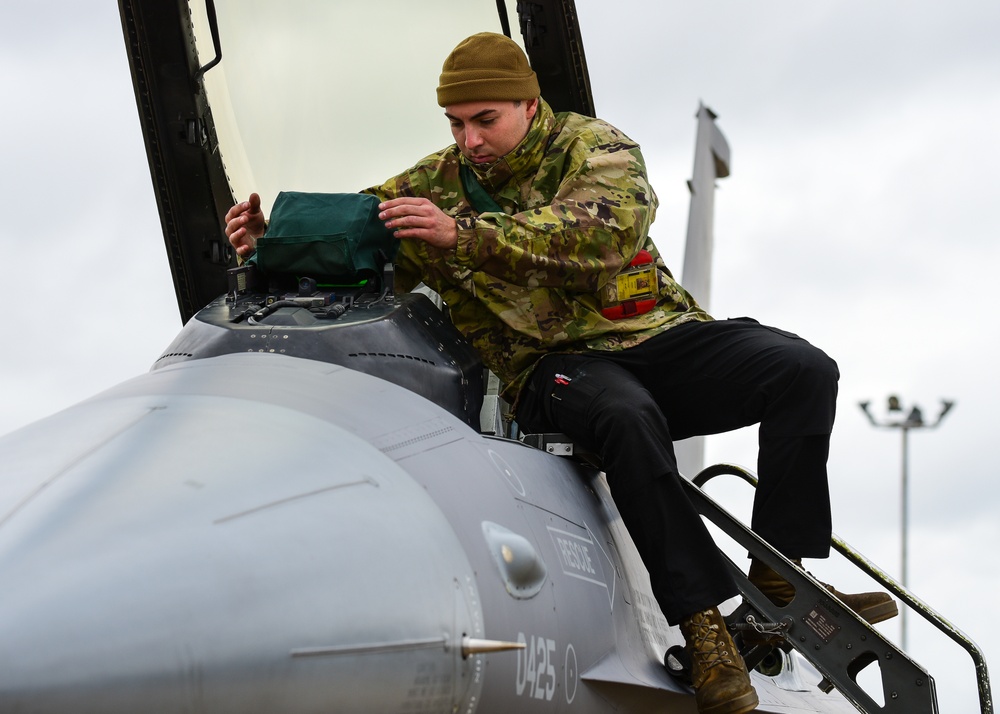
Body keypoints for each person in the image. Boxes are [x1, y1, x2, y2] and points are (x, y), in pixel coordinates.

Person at [226, 32, 895, 714]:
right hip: (553, 369)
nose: (471, 140)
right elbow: (345, 236)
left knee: (803, 369)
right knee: (627, 418)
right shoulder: (432, 185)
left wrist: (465, 235)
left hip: (657, 339)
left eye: (486, 120)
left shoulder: (598, 150)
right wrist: (269, 242)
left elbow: (598, 238)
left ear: (528, 104)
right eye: (457, 124)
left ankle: (778, 573)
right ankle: (704, 628)